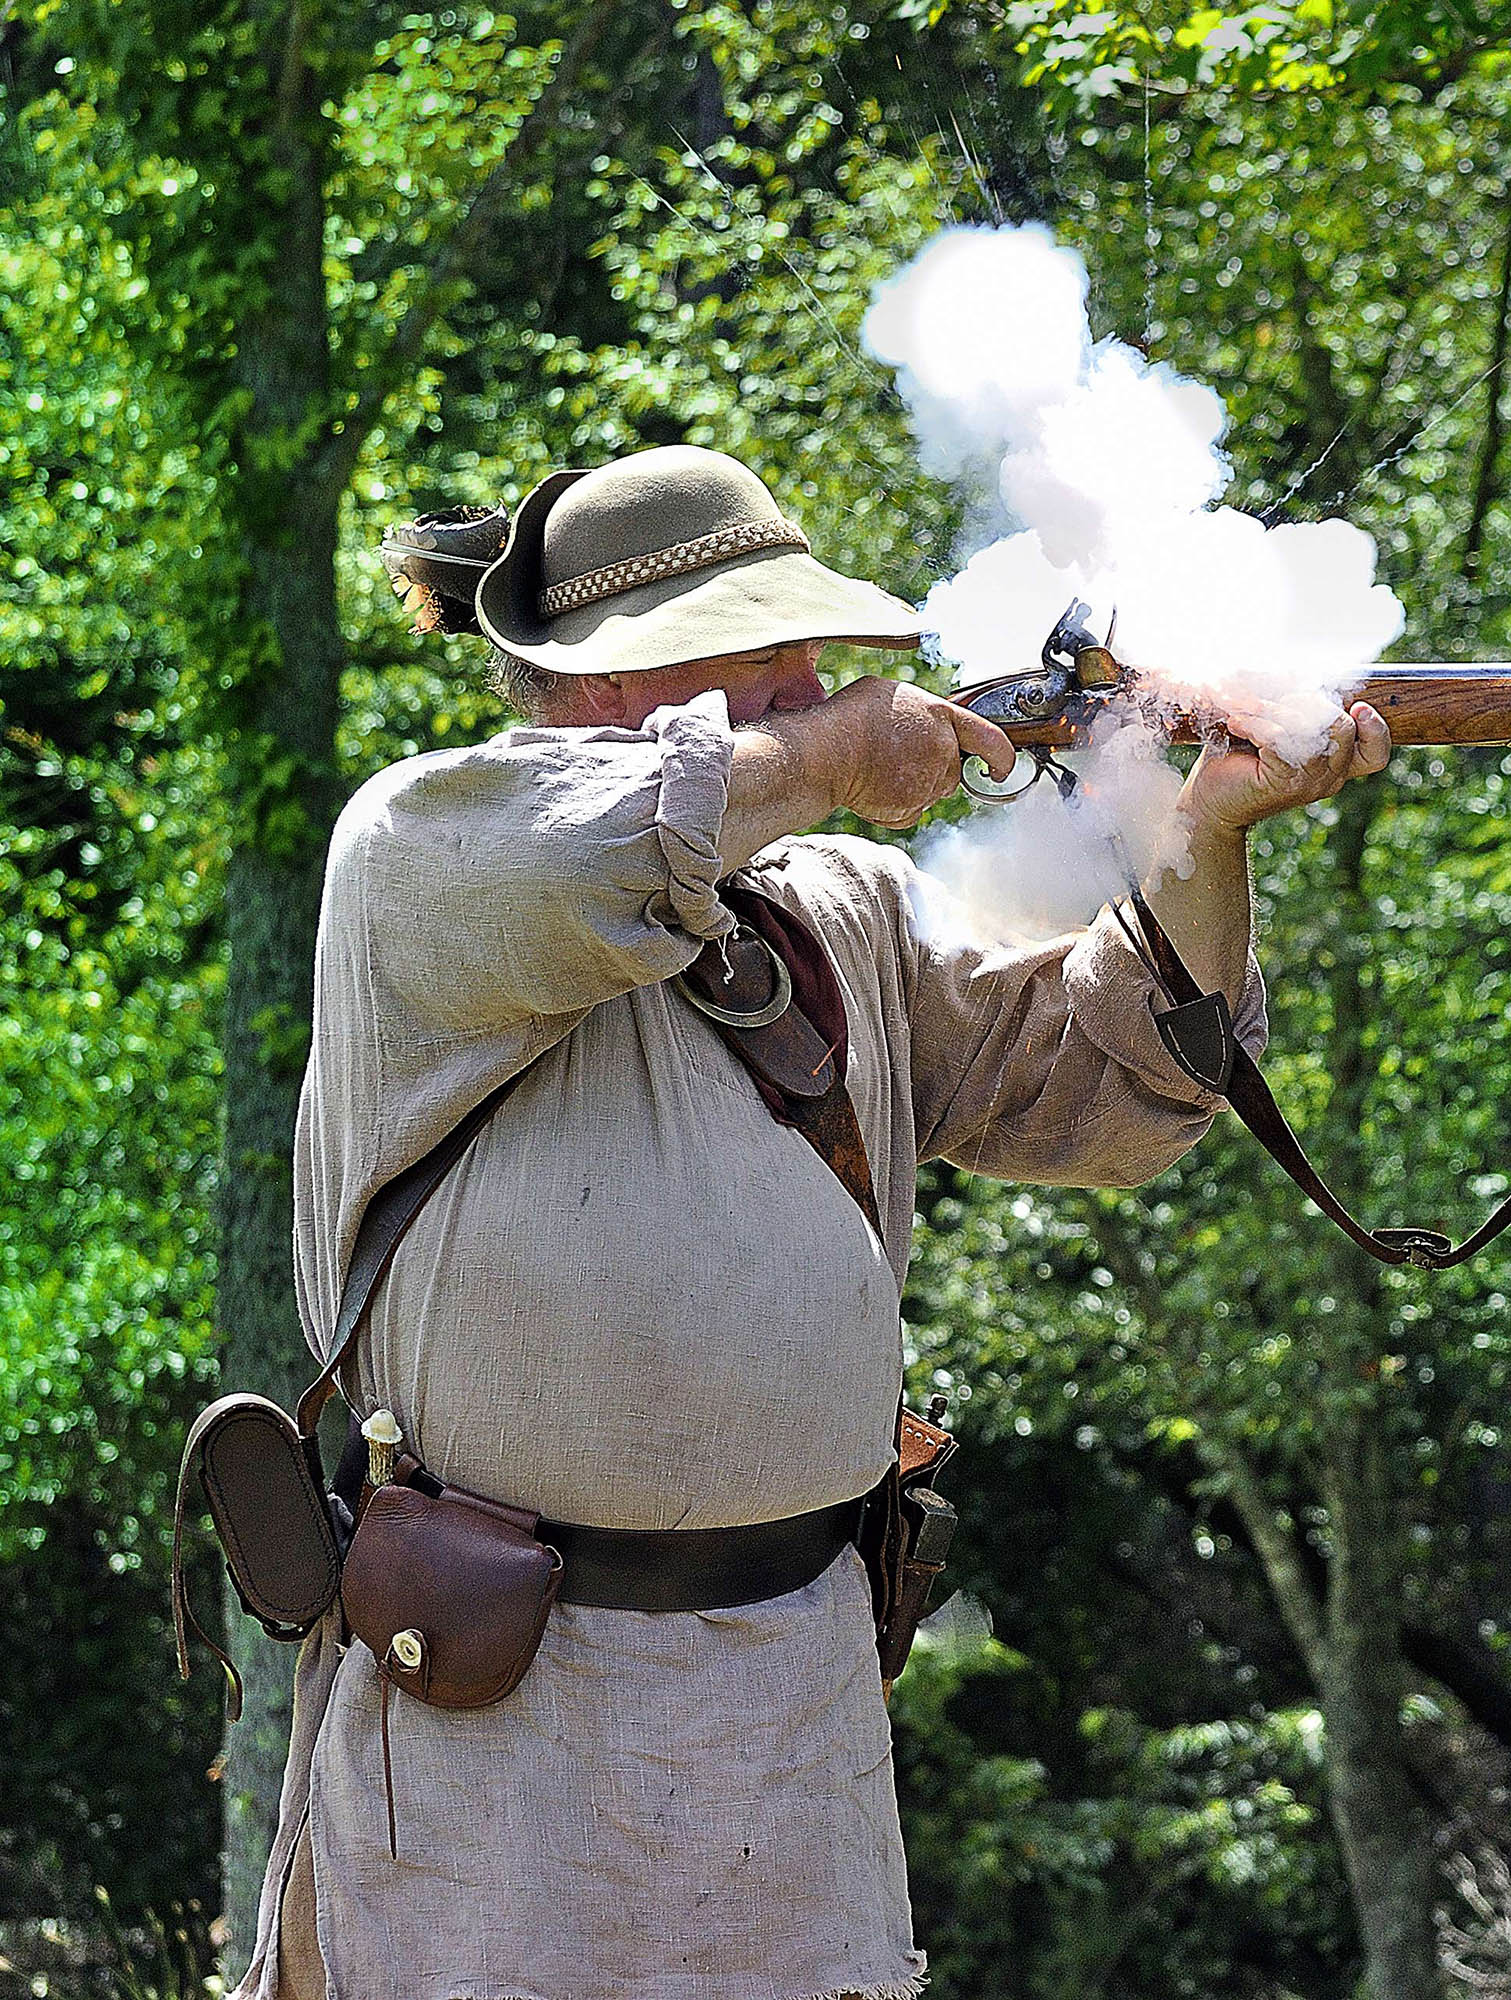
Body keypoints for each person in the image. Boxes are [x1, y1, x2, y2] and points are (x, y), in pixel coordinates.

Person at [243, 443, 1389, 2000]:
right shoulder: (430, 853)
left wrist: (1208, 836)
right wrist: (842, 750)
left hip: (794, 1705)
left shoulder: (830, 905)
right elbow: (606, 838)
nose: (808, 678)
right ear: (614, 681)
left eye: (810, 648)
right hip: (500, 1726)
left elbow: (1108, 1093)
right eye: (763, 648)